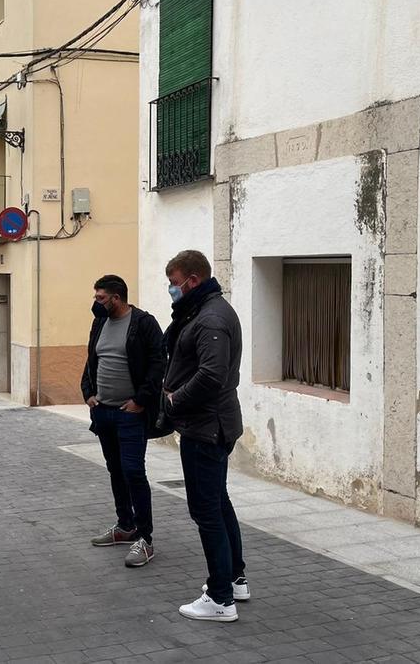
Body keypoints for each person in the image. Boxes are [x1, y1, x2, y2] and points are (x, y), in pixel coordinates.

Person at [162, 251, 250, 622]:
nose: (171, 289)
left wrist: (175, 399)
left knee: (206, 510)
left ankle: (219, 599)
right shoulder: (205, 310)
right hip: (211, 423)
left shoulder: (211, 317)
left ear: (192, 281)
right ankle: (234, 579)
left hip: (206, 426)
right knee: (219, 500)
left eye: (174, 282)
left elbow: (212, 375)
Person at [81, 275, 165, 568]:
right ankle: (125, 525)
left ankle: (145, 538)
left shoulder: (143, 323)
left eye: (100, 298)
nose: (96, 303)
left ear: (116, 298)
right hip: (103, 411)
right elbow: (92, 358)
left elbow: (158, 363)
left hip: (131, 414)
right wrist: (88, 393)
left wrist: (140, 400)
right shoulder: (99, 323)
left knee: (133, 471)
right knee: (115, 469)